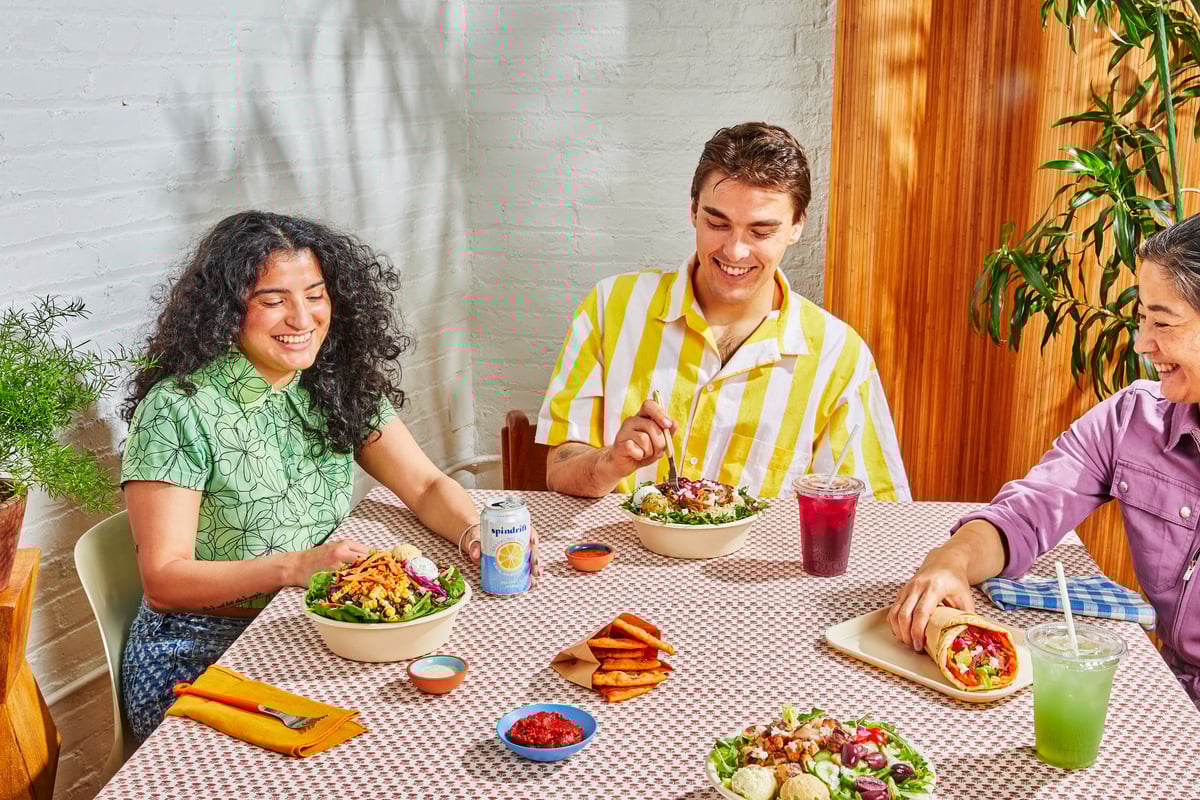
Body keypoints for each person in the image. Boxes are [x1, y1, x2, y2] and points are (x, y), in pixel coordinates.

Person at [119, 211, 491, 740]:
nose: (301, 318)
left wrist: (474, 531)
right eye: (273, 301)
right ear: (227, 310)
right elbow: (163, 581)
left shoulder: (332, 382)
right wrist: (298, 567)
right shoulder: (179, 408)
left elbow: (426, 485)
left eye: (315, 295)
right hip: (201, 650)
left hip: (309, 628)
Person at [888, 213, 1200, 710]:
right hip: (1166, 698)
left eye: (1162, 322)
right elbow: (1026, 514)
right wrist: (952, 562)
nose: (1143, 343)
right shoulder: (1133, 419)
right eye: (1142, 318)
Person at [536, 122, 911, 500]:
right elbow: (559, 470)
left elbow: (879, 510)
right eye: (717, 223)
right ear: (693, 211)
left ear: (797, 227)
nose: (734, 251)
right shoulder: (610, 307)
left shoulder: (838, 354)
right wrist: (610, 462)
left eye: (761, 232)